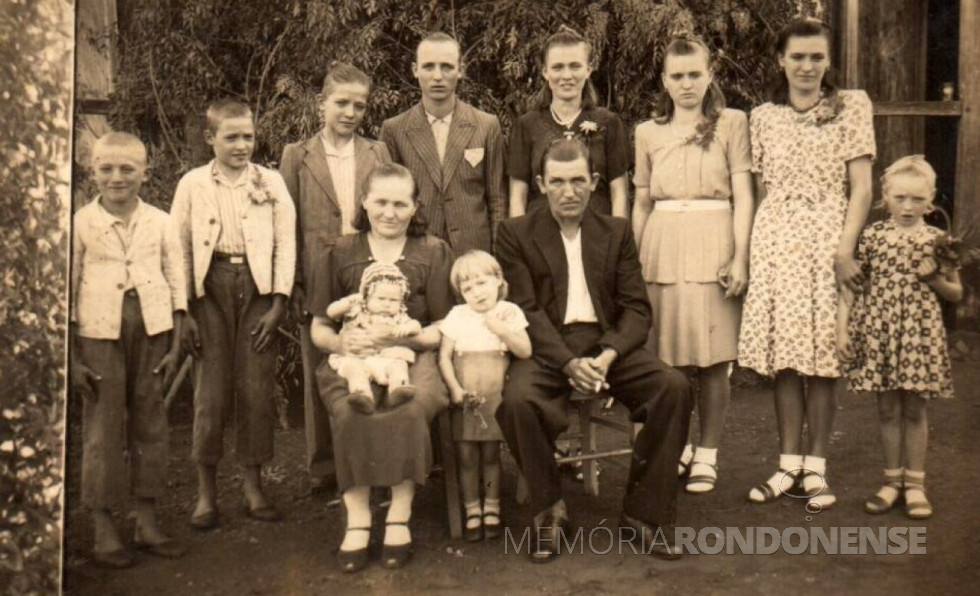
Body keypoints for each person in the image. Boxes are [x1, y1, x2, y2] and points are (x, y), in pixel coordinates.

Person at [496, 137, 692, 563]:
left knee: (672, 387)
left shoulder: (616, 231)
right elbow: (525, 309)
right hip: (547, 347)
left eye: (578, 181)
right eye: (558, 182)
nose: (569, 191)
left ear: (595, 182)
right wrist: (567, 362)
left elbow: (637, 308)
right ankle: (550, 511)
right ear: (541, 184)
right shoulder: (515, 233)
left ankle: (645, 514)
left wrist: (607, 355)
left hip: (607, 347)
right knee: (517, 400)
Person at [738, 18, 875, 510]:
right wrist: (753, 252)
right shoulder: (763, 116)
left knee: (822, 358)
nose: (807, 66)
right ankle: (787, 465)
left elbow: (861, 187)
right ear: (781, 60)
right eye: (797, 57)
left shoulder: (852, 106)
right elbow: (758, 191)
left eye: (816, 56)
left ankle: (816, 469)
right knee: (786, 360)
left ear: (828, 60)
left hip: (827, 239)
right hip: (776, 240)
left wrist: (845, 250)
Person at [308, 163, 454, 572]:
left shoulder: (433, 251)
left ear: (415, 207)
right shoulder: (339, 252)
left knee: (405, 407)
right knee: (354, 407)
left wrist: (402, 339)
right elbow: (318, 326)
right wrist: (341, 341)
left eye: (400, 203)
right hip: (352, 357)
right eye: (381, 202)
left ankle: (398, 515)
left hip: (411, 356)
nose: (390, 212)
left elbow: (442, 327)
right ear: (365, 202)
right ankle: (357, 519)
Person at [632, 35, 754, 494]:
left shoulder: (731, 123)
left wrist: (740, 256)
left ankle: (708, 453)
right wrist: (634, 262)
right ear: (664, 81)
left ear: (709, 76)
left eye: (694, 75)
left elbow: (743, 195)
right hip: (662, 245)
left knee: (713, 357)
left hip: (714, 239)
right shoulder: (647, 131)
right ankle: (676, 447)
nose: (686, 84)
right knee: (668, 358)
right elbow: (642, 201)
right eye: (677, 76)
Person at [171, 99, 296, 529]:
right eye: (232, 137)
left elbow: (285, 242)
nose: (242, 145)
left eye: (248, 136)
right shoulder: (192, 184)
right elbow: (180, 247)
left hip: (258, 290)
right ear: (211, 139)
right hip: (209, 291)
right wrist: (182, 309)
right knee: (209, 392)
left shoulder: (271, 181)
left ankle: (253, 487)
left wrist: (279, 301)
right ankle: (205, 495)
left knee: (256, 390)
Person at [70, 132, 187, 567]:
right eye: (106, 168)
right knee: (102, 427)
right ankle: (103, 530)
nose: (117, 178)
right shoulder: (81, 222)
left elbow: (177, 277)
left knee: (151, 423)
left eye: (127, 169)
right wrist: (72, 355)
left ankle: (147, 522)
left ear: (145, 172)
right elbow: (67, 287)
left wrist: (176, 338)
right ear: (93, 171)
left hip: (152, 328)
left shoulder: (159, 220)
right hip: (98, 332)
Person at [280, 63, 391, 498]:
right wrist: (292, 282)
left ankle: (375, 459)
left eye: (359, 105)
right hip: (318, 270)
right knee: (321, 365)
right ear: (321, 103)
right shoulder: (297, 155)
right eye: (341, 103)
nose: (350, 112)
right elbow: (286, 221)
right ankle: (324, 465)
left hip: (366, 267)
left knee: (374, 357)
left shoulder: (377, 152)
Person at [838, 156, 962, 519]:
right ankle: (892, 481)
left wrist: (933, 279)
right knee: (888, 407)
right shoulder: (873, 236)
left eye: (918, 200)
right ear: (885, 196)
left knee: (915, 408)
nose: (908, 207)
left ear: (932, 198)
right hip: (879, 331)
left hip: (918, 335)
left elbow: (956, 294)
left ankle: (916, 485)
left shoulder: (939, 240)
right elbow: (852, 289)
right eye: (900, 198)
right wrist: (842, 328)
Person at [381, 32, 506, 254]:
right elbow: (388, 201)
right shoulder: (394, 130)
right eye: (428, 66)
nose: (437, 76)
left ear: (461, 70)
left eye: (447, 67)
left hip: (474, 256)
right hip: (415, 252)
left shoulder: (486, 125)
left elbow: (497, 200)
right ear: (415, 70)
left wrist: (497, 257)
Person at [437, 250, 532, 542]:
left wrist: (500, 328)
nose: (476, 293)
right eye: (467, 288)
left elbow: (525, 351)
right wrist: (455, 388)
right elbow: (444, 356)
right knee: (465, 454)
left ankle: (492, 506)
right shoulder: (457, 316)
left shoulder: (509, 311)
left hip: (493, 394)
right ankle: (471, 509)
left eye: (482, 283)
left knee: (491, 454)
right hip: (466, 393)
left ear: (498, 281)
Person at [508, 27, 630, 218]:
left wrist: (617, 242)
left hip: (597, 238)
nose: (567, 76)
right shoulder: (526, 125)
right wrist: (519, 245)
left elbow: (619, 194)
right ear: (545, 72)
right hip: (539, 240)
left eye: (575, 66)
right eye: (558, 67)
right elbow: (517, 197)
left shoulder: (609, 122)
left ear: (588, 69)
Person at [326, 262, 422, 413]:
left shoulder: (398, 316)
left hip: (385, 358)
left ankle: (398, 388)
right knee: (354, 369)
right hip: (358, 356)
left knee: (399, 365)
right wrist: (347, 303)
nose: (387, 304)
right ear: (367, 296)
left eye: (393, 300)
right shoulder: (357, 310)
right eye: (381, 298)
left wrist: (408, 327)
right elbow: (331, 313)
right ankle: (361, 394)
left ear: (401, 301)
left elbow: (416, 326)